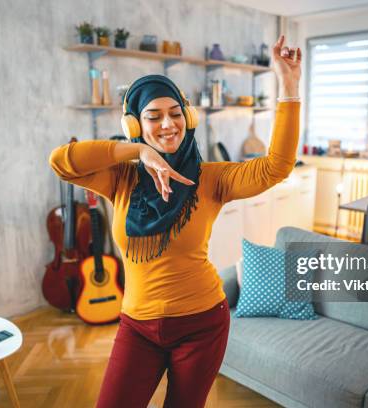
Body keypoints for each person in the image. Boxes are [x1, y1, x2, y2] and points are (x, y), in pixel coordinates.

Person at [49, 34, 302, 408]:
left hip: (202, 326)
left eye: (175, 113)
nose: (168, 124)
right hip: (137, 326)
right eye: (153, 116)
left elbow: (276, 167)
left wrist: (289, 86)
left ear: (189, 117)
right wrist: (136, 152)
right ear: (135, 125)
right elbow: (61, 162)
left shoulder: (213, 178)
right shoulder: (120, 179)